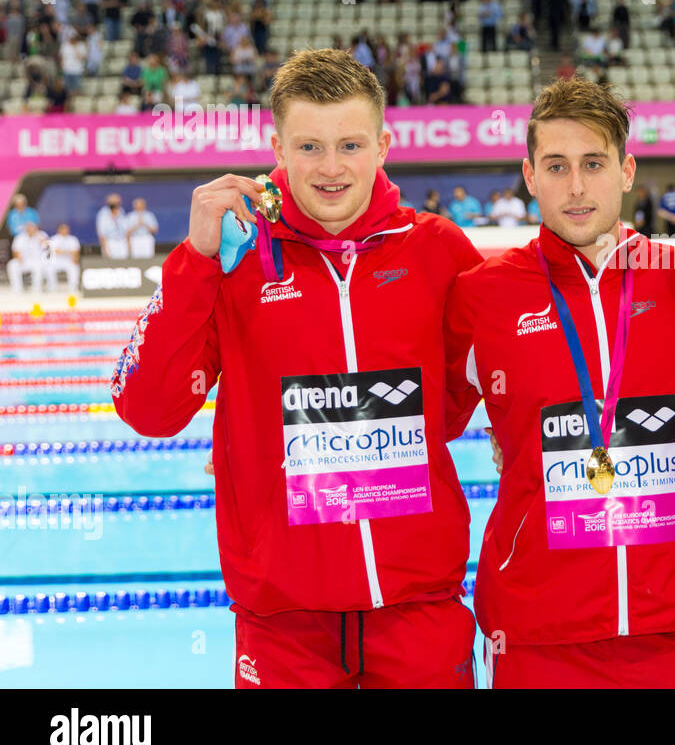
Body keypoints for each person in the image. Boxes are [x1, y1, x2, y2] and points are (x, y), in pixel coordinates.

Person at [111, 48, 484, 688]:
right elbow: (147, 409)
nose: (331, 168)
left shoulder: (437, 250)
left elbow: (475, 388)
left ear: (384, 145)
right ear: (278, 147)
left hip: (418, 608)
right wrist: (195, 260)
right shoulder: (232, 260)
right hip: (282, 622)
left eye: (350, 145)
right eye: (309, 147)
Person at [443, 77, 675, 688]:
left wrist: (656, 511)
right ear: (529, 175)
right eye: (556, 166)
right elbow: (423, 420)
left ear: (626, 170)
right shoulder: (482, 294)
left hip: (666, 621)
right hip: (536, 625)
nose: (575, 186)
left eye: (593, 164)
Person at [6, 221, 47, 293]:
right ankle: (17, 289)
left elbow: (46, 246)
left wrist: (37, 234)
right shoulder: (19, 237)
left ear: (35, 228)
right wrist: (18, 258)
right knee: (12, 265)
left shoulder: (41, 235)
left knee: (39, 266)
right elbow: (15, 250)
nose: (30, 229)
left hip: (37, 260)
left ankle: (36, 289)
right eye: (28, 228)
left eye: (32, 228)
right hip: (23, 260)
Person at [46, 222, 81, 290]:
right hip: (56, 260)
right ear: (59, 230)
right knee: (48, 266)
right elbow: (52, 251)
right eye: (63, 229)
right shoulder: (54, 238)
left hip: (69, 260)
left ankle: (73, 287)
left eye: (66, 229)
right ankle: (52, 287)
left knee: (74, 267)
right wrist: (68, 252)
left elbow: (76, 252)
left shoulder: (73, 239)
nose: (65, 230)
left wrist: (74, 258)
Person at [96, 194, 130, 259]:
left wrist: (128, 245)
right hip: (110, 242)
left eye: (118, 201)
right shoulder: (103, 213)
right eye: (115, 201)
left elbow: (126, 230)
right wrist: (105, 248)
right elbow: (101, 233)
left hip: (122, 242)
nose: (118, 203)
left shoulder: (121, 211)